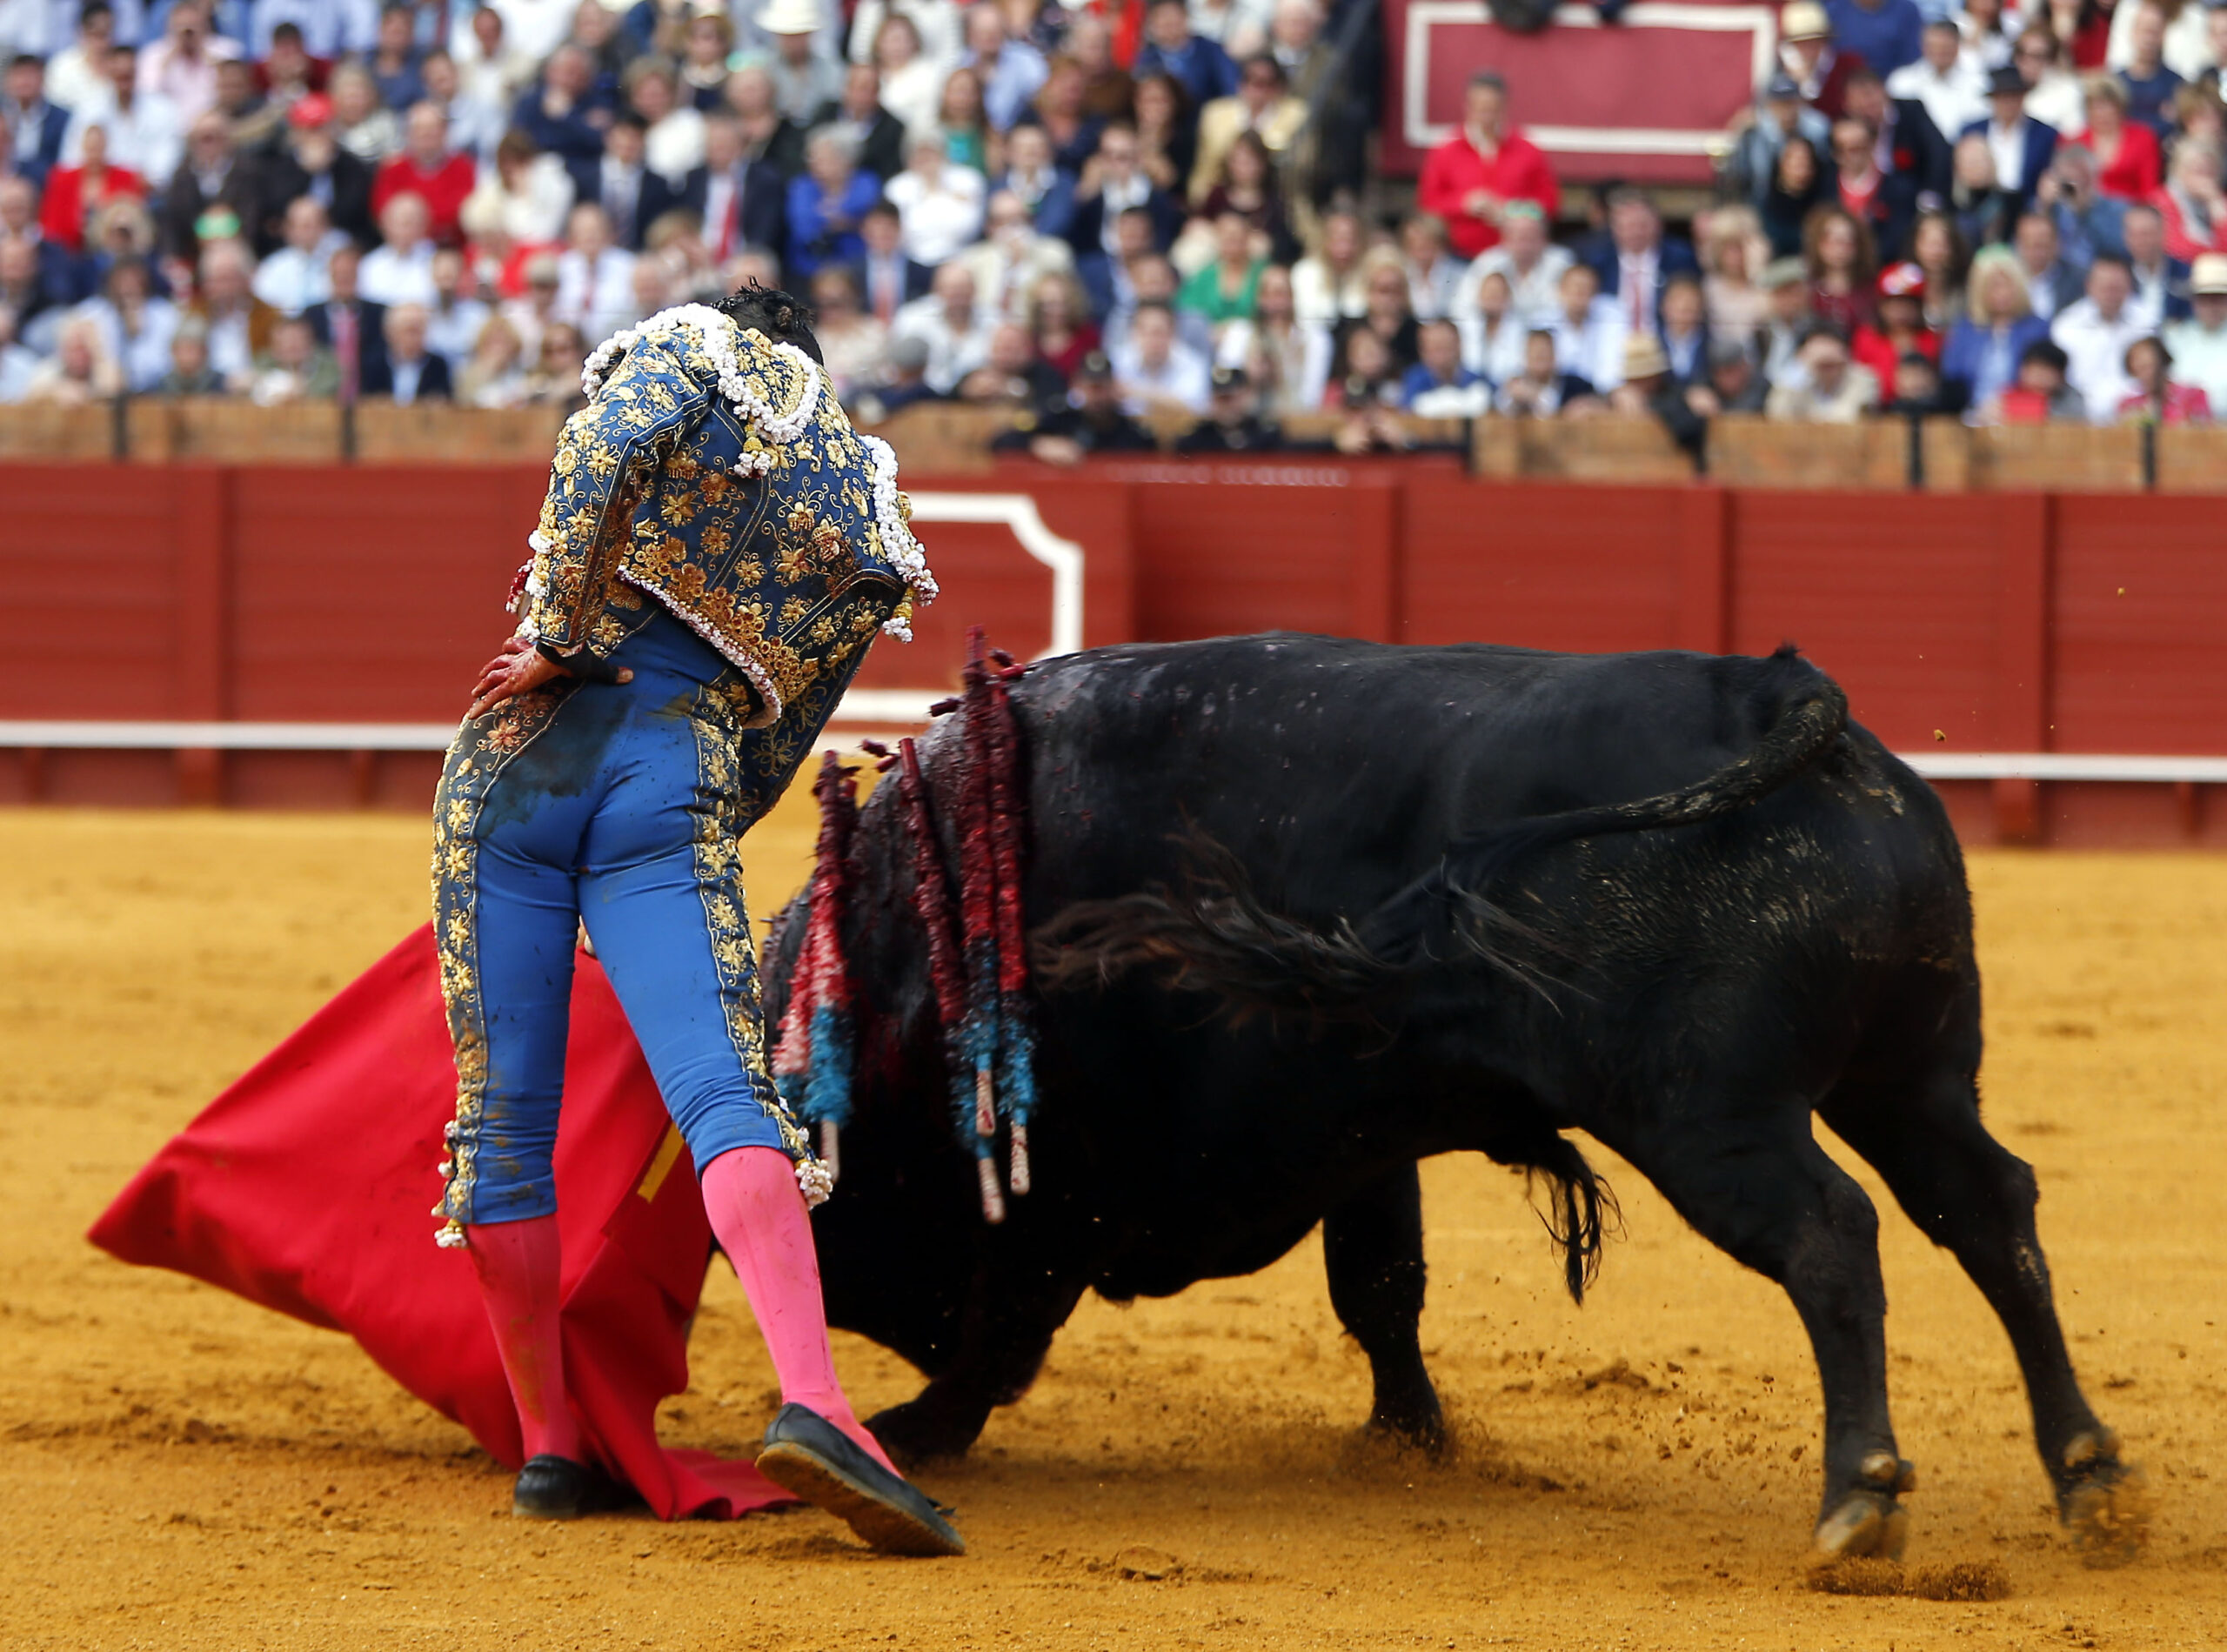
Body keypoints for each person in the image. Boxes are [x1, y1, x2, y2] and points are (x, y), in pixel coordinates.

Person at [430, 284, 958, 1553]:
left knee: (504, 1121)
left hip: (522, 759)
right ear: (816, 371)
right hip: (675, 776)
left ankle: (551, 1445)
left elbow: (604, 448)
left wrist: (559, 635)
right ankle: (819, 1398)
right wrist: (690, 825)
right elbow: (784, 738)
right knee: (724, 1093)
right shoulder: (856, 494)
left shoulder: (686, 352)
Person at [1415, 70, 1559, 261]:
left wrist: (1511, 210)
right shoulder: (1446, 150)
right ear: (1467, 107)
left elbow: (1550, 203)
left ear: (1505, 107)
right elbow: (1428, 202)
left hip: (1513, 255)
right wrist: (1465, 204)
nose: (1487, 117)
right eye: (1481, 109)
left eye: (1493, 109)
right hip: (1458, 253)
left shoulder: (1527, 150)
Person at [991, 347, 1158, 460]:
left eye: (1102, 387)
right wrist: (1038, 444)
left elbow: (1152, 453)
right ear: (1077, 385)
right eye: (1091, 387)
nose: (1097, 395)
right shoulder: (1060, 419)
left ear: (1114, 387)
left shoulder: (1130, 431)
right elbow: (1001, 442)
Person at [1941, 244, 2050, 411]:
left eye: (2007, 285)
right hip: (1968, 418)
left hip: (2021, 418)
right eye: (1993, 286)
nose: (2002, 293)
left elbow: (2043, 381)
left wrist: (2008, 406)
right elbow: (1952, 376)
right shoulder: (1965, 329)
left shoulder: (2037, 328)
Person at [1584, 187, 1702, 338]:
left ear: (1658, 225)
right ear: (1614, 228)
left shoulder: (1680, 259)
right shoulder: (1598, 262)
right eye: (1629, 226)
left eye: (1642, 225)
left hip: (1664, 346)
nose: (1636, 232)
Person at [2050, 252, 2151, 418]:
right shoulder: (2067, 325)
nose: (2110, 294)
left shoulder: (2147, 324)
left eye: (2117, 288)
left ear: (2129, 287)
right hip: (2078, 420)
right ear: (2089, 286)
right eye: (2105, 288)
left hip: (2133, 419)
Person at [1961, 64, 2059, 212]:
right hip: (1981, 205)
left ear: (2023, 97)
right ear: (1993, 99)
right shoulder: (1973, 131)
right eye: (2002, 97)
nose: (2008, 103)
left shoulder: (2044, 134)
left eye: (2013, 96)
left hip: (2026, 207)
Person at [1886, 19, 1988, 137]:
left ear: (1957, 46)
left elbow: (1980, 126)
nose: (1938, 52)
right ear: (1923, 45)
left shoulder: (1978, 84)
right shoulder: (1902, 82)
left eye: (1945, 47)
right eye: (1933, 46)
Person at [1851, 260, 1938, 385]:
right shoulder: (1866, 338)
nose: (1901, 312)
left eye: (1908, 305)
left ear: (1919, 307)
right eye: (1894, 305)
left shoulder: (1931, 340)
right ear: (1881, 306)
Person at [1765, 324, 1881, 418]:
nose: (1825, 355)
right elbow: (1777, 415)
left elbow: (1849, 418)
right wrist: (1803, 369)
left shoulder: (1864, 379)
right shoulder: (1797, 379)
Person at [2162, 250, 2227, 407]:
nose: (2212, 307)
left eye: (2218, 299)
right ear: (2193, 302)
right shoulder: (2175, 337)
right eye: (2204, 300)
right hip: (2182, 429)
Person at [1398, 317, 1488, 415]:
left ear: (1459, 345)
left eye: (1446, 347)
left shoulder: (1477, 382)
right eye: (1435, 349)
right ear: (1422, 351)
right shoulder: (1413, 381)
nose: (1441, 356)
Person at [2115, 331, 2208, 419]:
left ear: (2163, 363)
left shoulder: (2193, 397)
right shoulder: (2129, 407)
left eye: (2151, 366)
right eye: (2141, 369)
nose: (2149, 375)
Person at [1992, 334, 2087, 418]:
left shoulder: (2072, 400)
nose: (2040, 377)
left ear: (2061, 376)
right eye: (2036, 370)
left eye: (2047, 370)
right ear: (2023, 370)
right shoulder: (2006, 397)